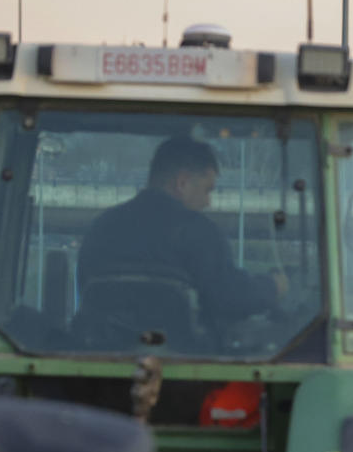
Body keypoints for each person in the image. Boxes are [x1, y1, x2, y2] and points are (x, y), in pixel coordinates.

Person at [79, 136, 284, 330]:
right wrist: (271, 287)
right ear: (182, 183)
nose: (208, 202)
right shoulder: (200, 233)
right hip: (184, 360)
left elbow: (85, 293)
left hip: (99, 355)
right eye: (207, 190)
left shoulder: (100, 229)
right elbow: (229, 298)